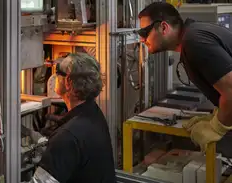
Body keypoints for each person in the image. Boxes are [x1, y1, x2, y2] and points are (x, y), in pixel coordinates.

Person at [137, 2, 232, 151]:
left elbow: (231, 90)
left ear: (163, 27)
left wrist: (217, 127)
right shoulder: (193, 35)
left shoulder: (195, 42)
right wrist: (218, 115)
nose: (141, 40)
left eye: (144, 32)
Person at [28, 52, 116, 183]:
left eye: (58, 71)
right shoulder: (94, 113)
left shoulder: (67, 137)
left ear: (68, 82)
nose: (55, 75)